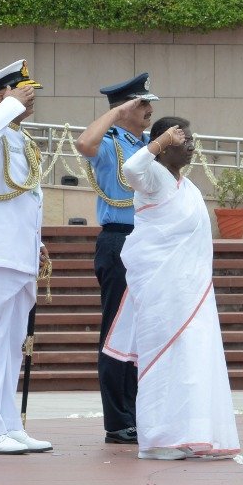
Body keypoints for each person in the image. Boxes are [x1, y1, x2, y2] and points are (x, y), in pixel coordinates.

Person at [102, 117, 240, 460]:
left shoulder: (187, 186)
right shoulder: (151, 177)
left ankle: (192, 434)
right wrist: (160, 140)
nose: (191, 145)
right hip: (161, 291)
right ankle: (161, 439)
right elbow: (131, 167)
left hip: (192, 292)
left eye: (192, 139)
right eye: (182, 139)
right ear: (164, 144)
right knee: (163, 362)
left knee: (193, 362)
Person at [0, 59, 53, 456]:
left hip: (21, 256)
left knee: (15, 344)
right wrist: (8, 106)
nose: (31, 97)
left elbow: (29, 200)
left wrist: (37, 245)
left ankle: (9, 423)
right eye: (23, 90)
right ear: (3, 96)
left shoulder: (23, 141)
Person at [74, 73, 160, 446]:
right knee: (116, 333)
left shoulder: (146, 145)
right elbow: (84, 143)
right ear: (125, 108)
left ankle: (140, 411)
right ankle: (118, 419)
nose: (149, 110)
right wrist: (115, 114)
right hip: (119, 241)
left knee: (142, 333)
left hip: (147, 242)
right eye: (142, 104)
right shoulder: (111, 144)